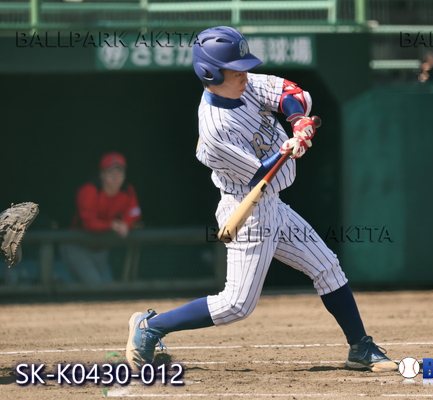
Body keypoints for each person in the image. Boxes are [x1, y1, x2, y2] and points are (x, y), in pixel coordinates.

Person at [125, 26, 397, 373]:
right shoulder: (215, 128)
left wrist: (297, 120)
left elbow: (289, 93)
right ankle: (151, 326)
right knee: (236, 305)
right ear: (210, 73)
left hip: (272, 205)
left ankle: (360, 347)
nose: (244, 75)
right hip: (247, 209)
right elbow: (258, 177)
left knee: (327, 267)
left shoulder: (246, 84)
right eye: (235, 70)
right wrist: (288, 149)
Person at [61, 152, 141, 283]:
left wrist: (126, 225)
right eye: (111, 172)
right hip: (77, 246)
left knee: (96, 289)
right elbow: (88, 223)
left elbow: (134, 214)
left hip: (101, 249)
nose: (116, 177)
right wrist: (112, 225)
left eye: (120, 172)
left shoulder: (127, 190)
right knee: (96, 286)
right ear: (102, 174)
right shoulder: (89, 190)